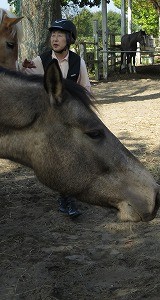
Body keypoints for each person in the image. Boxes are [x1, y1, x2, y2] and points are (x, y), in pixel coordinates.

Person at [21, 18, 91, 218]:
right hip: (49, 119)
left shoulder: (78, 62)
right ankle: (67, 198)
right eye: (53, 34)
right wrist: (24, 68)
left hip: (70, 117)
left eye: (60, 35)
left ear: (69, 39)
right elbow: (23, 80)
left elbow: (85, 90)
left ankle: (67, 197)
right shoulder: (40, 61)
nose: (55, 38)